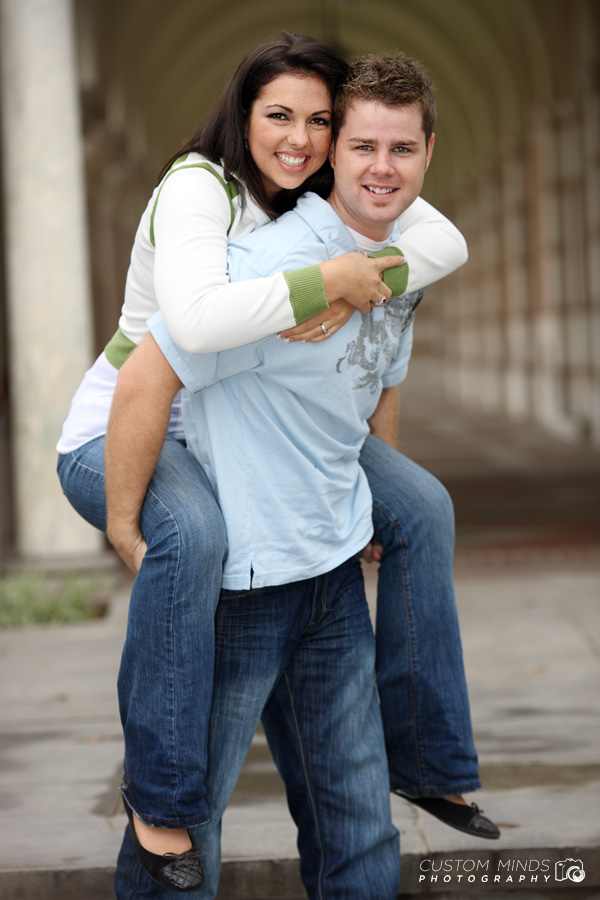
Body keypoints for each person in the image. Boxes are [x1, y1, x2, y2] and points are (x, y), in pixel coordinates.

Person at [56, 30, 484, 890]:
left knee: (422, 506)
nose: (301, 138)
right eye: (280, 116)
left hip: (269, 491)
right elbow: (176, 347)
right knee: (194, 538)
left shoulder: (335, 213)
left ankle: (431, 759)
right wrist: (126, 526)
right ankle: (159, 797)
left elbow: (436, 260)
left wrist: (371, 275)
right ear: (241, 115)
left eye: (319, 122)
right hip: (127, 428)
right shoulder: (204, 193)